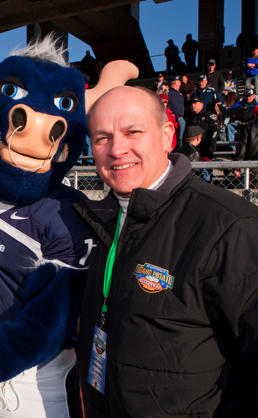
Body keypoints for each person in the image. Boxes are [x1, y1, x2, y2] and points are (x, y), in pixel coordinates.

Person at [75, 85, 258, 418]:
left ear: (167, 136)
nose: (117, 150)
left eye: (133, 132)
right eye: (102, 138)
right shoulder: (99, 219)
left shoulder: (231, 227)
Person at [167, 76, 185, 143]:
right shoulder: (168, 92)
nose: (180, 84)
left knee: (180, 139)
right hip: (172, 119)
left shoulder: (179, 92)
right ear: (175, 82)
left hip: (181, 119)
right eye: (179, 82)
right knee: (172, 138)